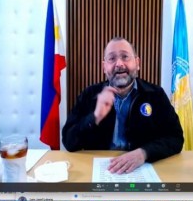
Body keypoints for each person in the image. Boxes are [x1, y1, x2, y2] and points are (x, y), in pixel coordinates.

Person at [62, 37, 184, 174]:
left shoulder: (155, 95)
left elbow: (176, 138)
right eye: (112, 59)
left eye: (125, 57)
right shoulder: (89, 95)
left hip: (142, 168)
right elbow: (68, 142)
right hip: (101, 170)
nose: (119, 64)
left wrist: (144, 153)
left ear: (137, 63)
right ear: (104, 67)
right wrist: (95, 117)